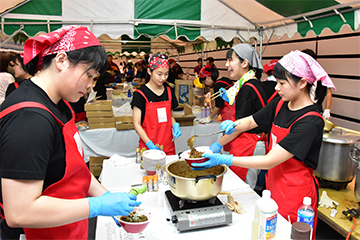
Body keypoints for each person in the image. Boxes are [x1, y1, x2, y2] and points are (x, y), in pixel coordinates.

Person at [0, 25, 141, 240]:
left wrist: (105, 196)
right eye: (89, 75)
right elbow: (19, 212)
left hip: (68, 227)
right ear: (61, 61)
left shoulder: (61, 104)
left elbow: (76, 169)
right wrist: (95, 206)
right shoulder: (29, 118)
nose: (91, 86)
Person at [193, 50, 337, 240]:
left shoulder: (310, 121)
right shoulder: (280, 103)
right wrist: (234, 125)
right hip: (273, 188)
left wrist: (224, 158)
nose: (276, 88)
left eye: (282, 83)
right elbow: (252, 121)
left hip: (296, 197)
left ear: (302, 83)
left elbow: (269, 161)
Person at [213, 43, 268, 189]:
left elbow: (240, 126)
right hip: (247, 143)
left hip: (249, 144)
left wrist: (219, 144)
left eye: (231, 60)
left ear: (245, 63)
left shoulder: (247, 88)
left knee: (243, 190)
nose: (227, 64)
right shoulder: (250, 84)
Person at [131, 53, 182, 155]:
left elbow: (170, 115)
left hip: (168, 146)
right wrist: (149, 144)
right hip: (148, 146)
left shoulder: (169, 91)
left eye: (166, 74)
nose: (163, 78)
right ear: (150, 71)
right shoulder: (140, 94)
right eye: (159, 74)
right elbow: (136, 124)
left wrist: (175, 124)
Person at [301, 49, 333, 120]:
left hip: (316, 107)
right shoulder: (299, 73)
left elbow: (328, 91)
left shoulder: (321, 74)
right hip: (302, 107)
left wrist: (327, 109)